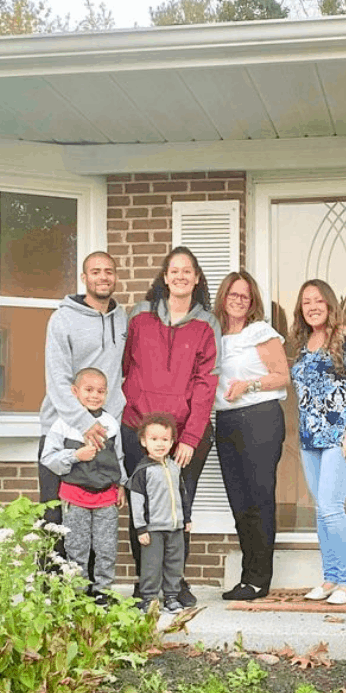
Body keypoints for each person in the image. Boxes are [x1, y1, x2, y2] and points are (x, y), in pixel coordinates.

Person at [120, 246, 221, 608]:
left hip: (182, 435)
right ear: (165, 277)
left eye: (187, 271)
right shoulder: (140, 315)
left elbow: (205, 383)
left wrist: (191, 437)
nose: (180, 276)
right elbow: (125, 365)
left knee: (178, 511)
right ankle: (145, 585)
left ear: (196, 278)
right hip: (137, 429)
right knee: (143, 508)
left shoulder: (207, 324)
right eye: (173, 271)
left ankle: (175, 585)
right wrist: (131, 411)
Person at [290, 279, 346, 606]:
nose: (312, 306)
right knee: (322, 511)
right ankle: (331, 578)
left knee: (331, 507)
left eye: (318, 300)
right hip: (310, 438)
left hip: (340, 436)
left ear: (330, 303)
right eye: (306, 301)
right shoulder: (304, 342)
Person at [38, 252, 126, 536]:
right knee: (55, 515)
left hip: (104, 432)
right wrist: (86, 424)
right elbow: (58, 380)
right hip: (65, 429)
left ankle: (88, 582)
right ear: (84, 278)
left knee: (95, 518)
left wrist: (108, 424)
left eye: (109, 271)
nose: (103, 277)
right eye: (96, 271)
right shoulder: (62, 320)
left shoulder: (122, 318)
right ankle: (51, 580)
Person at [213, 271, 288, 601]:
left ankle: (259, 579)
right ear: (223, 296)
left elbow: (282, 377)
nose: (238, 300)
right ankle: (248, 576)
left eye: (244, 295)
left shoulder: (260, 332)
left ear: (252, 301)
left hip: (260, 419)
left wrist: (249, 385)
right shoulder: (213, 334)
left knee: (258, 500)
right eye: (233, 294)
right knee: (239, 503)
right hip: (226, 422)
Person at [40, 367, 127, 601]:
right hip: (75, 497)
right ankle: (77, 592)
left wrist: (121, 485)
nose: (94, 395)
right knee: (76, 548)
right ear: (75, 392)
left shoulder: (111, 424)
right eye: (88, 390)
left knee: (106, 548)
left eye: (100, 391)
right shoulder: (62, 425)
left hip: (106, 498)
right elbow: (47, 458)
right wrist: (76, 456)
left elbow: (118, 458)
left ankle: (102, 592)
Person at [127, 412, 191, 613]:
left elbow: (182, 494)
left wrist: (186, 519)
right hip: (153, 529)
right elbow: (136, 502)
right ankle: (149, 599)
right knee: (151, 566)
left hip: (175, 527)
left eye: (165, 439)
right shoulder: (142, 471)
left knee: (174, 565)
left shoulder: (174, 467)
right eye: (154, 439)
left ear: (172, 442)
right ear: (144, 442)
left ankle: (171, 597)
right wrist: (141, 528)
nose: (160, 444)